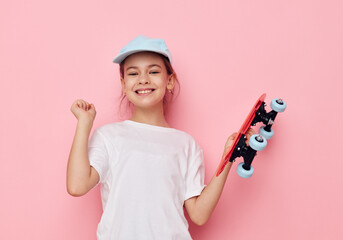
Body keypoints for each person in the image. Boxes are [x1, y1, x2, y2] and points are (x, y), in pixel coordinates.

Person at [66, 35, 255, 239]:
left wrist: (228, 157)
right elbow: (77, 186)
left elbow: (199, 215)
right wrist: (84, 124)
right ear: (123, 84)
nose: (143, 79)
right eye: (133, 73)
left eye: (154, 71)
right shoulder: (108, 136)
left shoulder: (187, 145)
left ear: (170, 80)